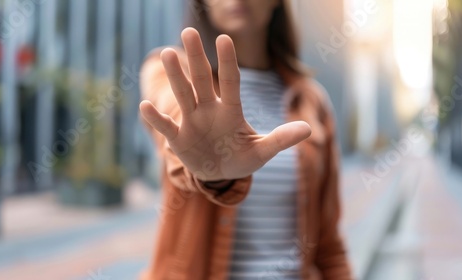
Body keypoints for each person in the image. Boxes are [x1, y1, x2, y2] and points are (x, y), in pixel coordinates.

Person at [139, 0, 352, 279]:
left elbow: (328, 244)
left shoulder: (313, 102)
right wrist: (212, 172)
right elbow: (172, 115)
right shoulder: (174, 71)